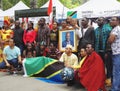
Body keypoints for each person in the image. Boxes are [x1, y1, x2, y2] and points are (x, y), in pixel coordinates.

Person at [108, 16, 120, 91]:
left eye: (113, 20)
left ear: (118, 21)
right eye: (110, 20)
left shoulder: (116, 29)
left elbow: (110, 40)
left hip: (117, 53)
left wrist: (109, 37)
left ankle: (115, 89)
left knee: (116, 72)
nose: (111, 21)